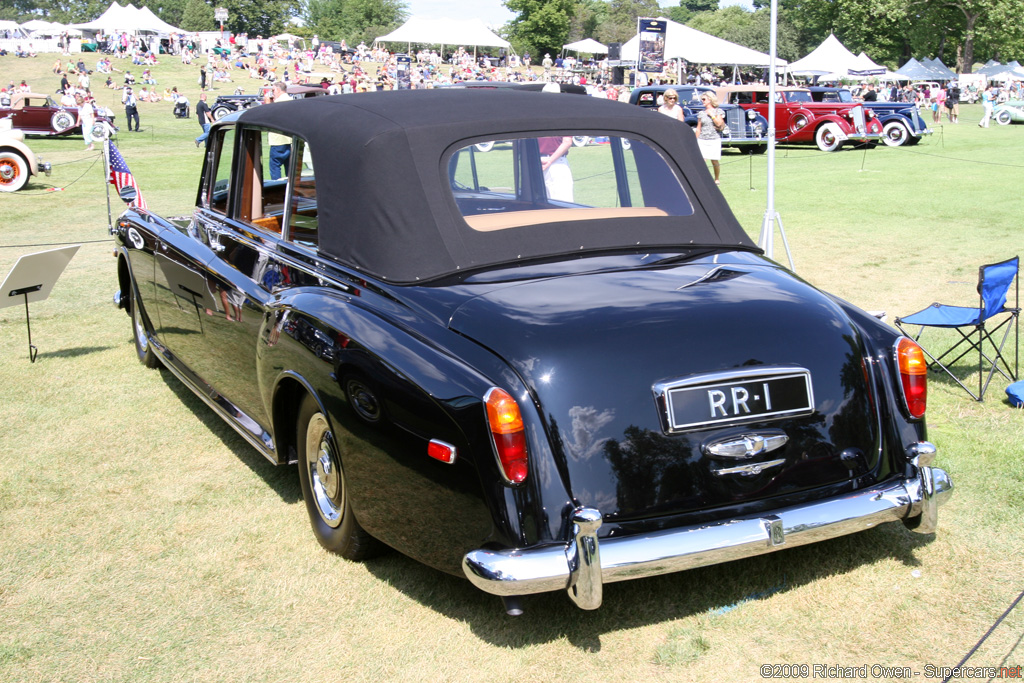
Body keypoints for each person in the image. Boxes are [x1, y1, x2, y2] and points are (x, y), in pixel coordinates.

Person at [694, 92, 725, 185]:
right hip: (702, 139)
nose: (702, 101)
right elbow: (698, 128)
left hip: (714, 138)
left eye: (704, 99)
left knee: (714, 160)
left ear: (710, 100)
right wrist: (695, 140)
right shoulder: (701, 113)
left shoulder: (718, 111)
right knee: (702, 160)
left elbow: (719, 124)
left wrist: (711, 115)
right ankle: (703, 178)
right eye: (702, 99)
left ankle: (716, 178)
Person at [267, 81, 292, 179]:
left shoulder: (276, 104)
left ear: (278, 90)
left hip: (278, 139)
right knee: (290, 167)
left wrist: (268, 103)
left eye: (273, 90)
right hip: (291, 139)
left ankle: (276, 187)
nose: (273, 93)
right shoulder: (292, 101)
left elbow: (267, 118)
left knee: (275, 166)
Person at [539, 136, 573, 202]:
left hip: (556, 162)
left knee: (561, 203)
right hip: (538, 161)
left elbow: (567, 142)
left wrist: (550, 160)